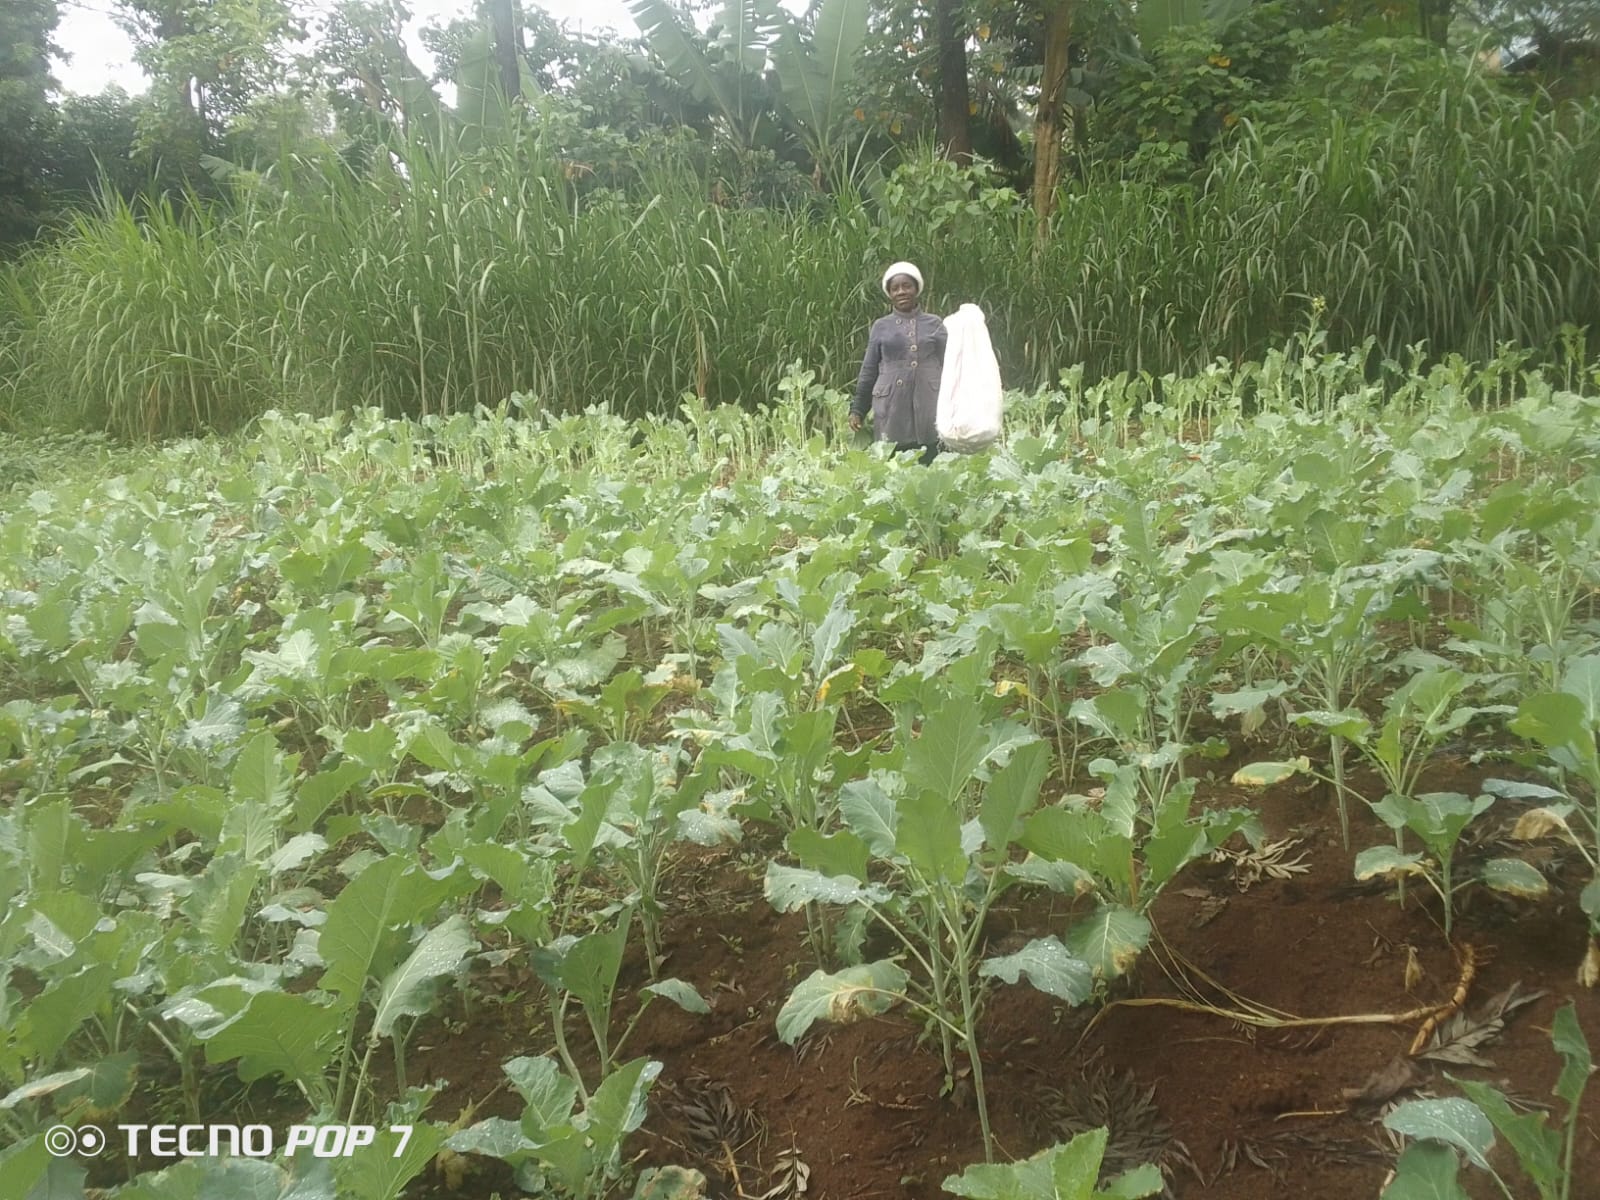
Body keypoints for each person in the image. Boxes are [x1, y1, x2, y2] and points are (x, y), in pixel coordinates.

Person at [849, 261, 945, 463]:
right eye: (895, 288)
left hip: (930, 404)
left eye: (907, 286)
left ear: (916, 289)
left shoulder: (934, 323)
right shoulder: (880, 326)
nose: (901, 292)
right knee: (896, 466)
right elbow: (869, 370)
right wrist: (858, 409)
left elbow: (952, 367)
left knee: (933, 460)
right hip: (892, 405)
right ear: (890, 294)